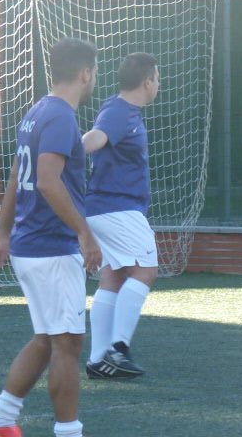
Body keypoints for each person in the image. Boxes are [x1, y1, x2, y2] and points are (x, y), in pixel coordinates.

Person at [0, 38, 102, 437]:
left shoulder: (35, 112)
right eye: (95, 73)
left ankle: (0, 422)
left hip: (31, 245)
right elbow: (47, 181)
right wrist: (84, 232)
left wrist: (4, 230)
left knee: (48, 339)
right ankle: (68, 432)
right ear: (85, 73)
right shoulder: (61, 117)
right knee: (68, 344)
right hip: (51, 248)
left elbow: (18, 175)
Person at [82, 53, 159, 379]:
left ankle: (99, 360)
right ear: (147, 82)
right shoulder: (120, 111)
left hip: (105, 209)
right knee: (146, 270)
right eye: (157, 78)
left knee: (112, 277)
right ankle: (118, 349)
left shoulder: (119, 108)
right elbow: (94, 138)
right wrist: (63, 153)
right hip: (117, 208)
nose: (158, 84)